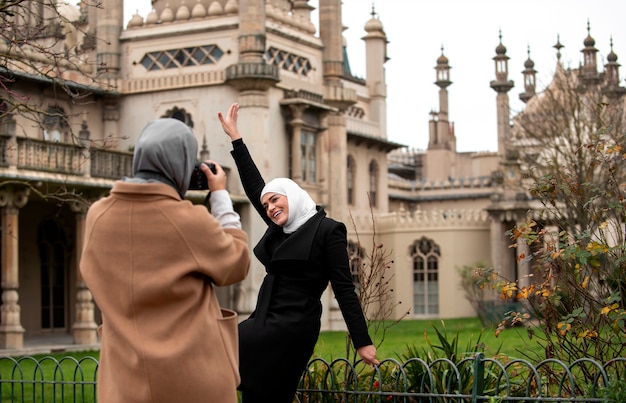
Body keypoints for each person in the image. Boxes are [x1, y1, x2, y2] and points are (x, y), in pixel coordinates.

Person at [79, 118, 250, 403]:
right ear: (181, 164)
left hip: (124, 381)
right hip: (193, 380)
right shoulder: (189, 221)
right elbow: (238, 262)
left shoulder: (98, 215)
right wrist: (219, 195)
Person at [218, 103, 379, 402]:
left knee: (218, 352)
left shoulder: (328, 230)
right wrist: (236, 139)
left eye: (276, 200)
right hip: (263, 321)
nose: (270, 207)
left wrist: (362, 342)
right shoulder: (280, 227)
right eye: (266, 205)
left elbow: (344, 290)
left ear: (292, 195)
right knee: (259, 394)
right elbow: (256, 187)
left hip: (291, 327)